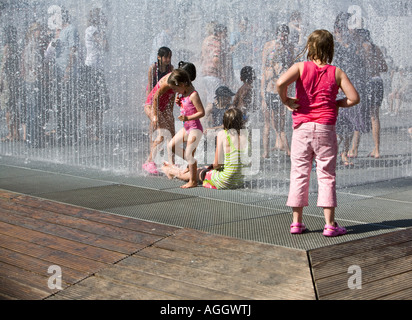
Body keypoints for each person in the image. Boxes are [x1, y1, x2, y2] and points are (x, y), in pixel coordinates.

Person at [276, 29, 360, 237]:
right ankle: (330, 224)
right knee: (326, 175)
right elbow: (354, 98)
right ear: (330, 48)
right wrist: (337, 103)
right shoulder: (336, 72)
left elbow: (279, 83)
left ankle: (296, 223)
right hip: (325, 129)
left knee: (299, 173)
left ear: (309, 47)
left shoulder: (300, 68)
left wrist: (286, 100)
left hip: (302, 129)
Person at [163, 108, 247, 190]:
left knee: (197, 172)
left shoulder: (223, 134)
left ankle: (171, 171)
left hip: (225, 181)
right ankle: (175, 169)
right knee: (205, 168)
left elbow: (217, 164)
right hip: (239, 181)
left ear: (225, 121)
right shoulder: (246, 135)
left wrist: (209, 168)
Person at [143, 61, 196, 174]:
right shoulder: (170, 80)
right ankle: (149, 161)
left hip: (164, 107)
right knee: (163, 134)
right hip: (152, 105)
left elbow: (172, 96)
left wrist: (170, 113)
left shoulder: (180, 81)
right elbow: (156, 96)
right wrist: (155, 115)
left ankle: (172, 163)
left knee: (172, 135)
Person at [348, 29, 387, 159]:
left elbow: (356, 67)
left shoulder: (360, 49)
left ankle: (354, 149)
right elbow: (384, 67)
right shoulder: (376, 49)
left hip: (366, 84)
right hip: (378, 82)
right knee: (374, 116)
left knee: (359, 114)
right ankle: (377, 149)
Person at [164, 69, 205, 189]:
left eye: (175, 89)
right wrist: (179, 103)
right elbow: (186, 107)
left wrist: (187, 117)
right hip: (186, 127)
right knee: (171, 146)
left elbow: (201, 112)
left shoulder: (194, 95)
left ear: (182, 84)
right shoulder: (184, 93)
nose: (175, 92)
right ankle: (191, 162)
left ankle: (193, 181)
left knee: (189, 153)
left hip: (195, 129)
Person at [261, 24, 294, 158]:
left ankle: (287, 150)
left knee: (280, 124)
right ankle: (266, 152)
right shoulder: (268, 46)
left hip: (281, 91)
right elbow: (264, 70)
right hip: (269, 89)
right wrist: (262, 95)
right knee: (268, 124)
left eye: (285, 36)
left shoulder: (289, 48)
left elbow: (292, 70)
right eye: (281, 35)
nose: (283, 38)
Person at [53, 7, 81, 146]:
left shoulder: (71, 29)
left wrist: (68, 71)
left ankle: (72, 134)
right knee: (60, 104)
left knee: (70, 104)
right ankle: (62, 132)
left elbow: (73, 50)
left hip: (68, 73)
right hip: (58, 71)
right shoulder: (59, 31)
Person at [21, 22, 49, 148]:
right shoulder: (33, 46)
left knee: (32, 110)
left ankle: (31, 139)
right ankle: (33, 140)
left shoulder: (30, 45)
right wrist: (41, 78)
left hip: (29, 81)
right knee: (34, 111)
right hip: (34, 81)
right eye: (38, 30)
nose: (40, 32)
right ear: (33, 32)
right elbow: (34, 65)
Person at [83, 8, 110, 142]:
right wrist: (104, 30)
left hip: (97, 69)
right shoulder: (91, 29)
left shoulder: (97, 30)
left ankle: (98, 131)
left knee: (99, 102)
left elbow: (106, 48)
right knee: (91, 102)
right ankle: (90, 132)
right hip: (91, 69)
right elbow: (104, 43)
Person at [0, 25, 21, 142]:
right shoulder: (16, 46)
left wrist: (1, 80)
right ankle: (16, 132)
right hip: (15, 80)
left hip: (7, 80)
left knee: (8, 107)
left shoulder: (7, 47)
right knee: (14, 107)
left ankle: (11, 134)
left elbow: (3, 65)